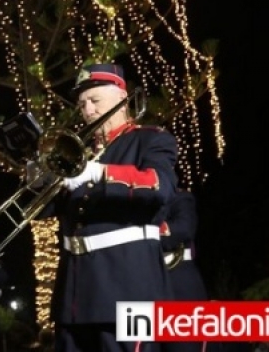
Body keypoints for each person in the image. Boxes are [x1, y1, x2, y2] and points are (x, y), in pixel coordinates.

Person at [43, 63, 177, 352]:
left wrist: (100, 173)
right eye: (81, 104)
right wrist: (39, 181)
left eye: (94, 101)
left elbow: (159, 186)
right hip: (75, 292)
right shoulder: (79, 153)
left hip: (129, 284)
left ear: (120, 98)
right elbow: (48, 210)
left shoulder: (150, 139)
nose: (87, 111)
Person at [158, 188, 211, 352]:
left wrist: (143, 233)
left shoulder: (179, 197)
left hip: (178, 283)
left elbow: (183, 229)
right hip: (144, 284)